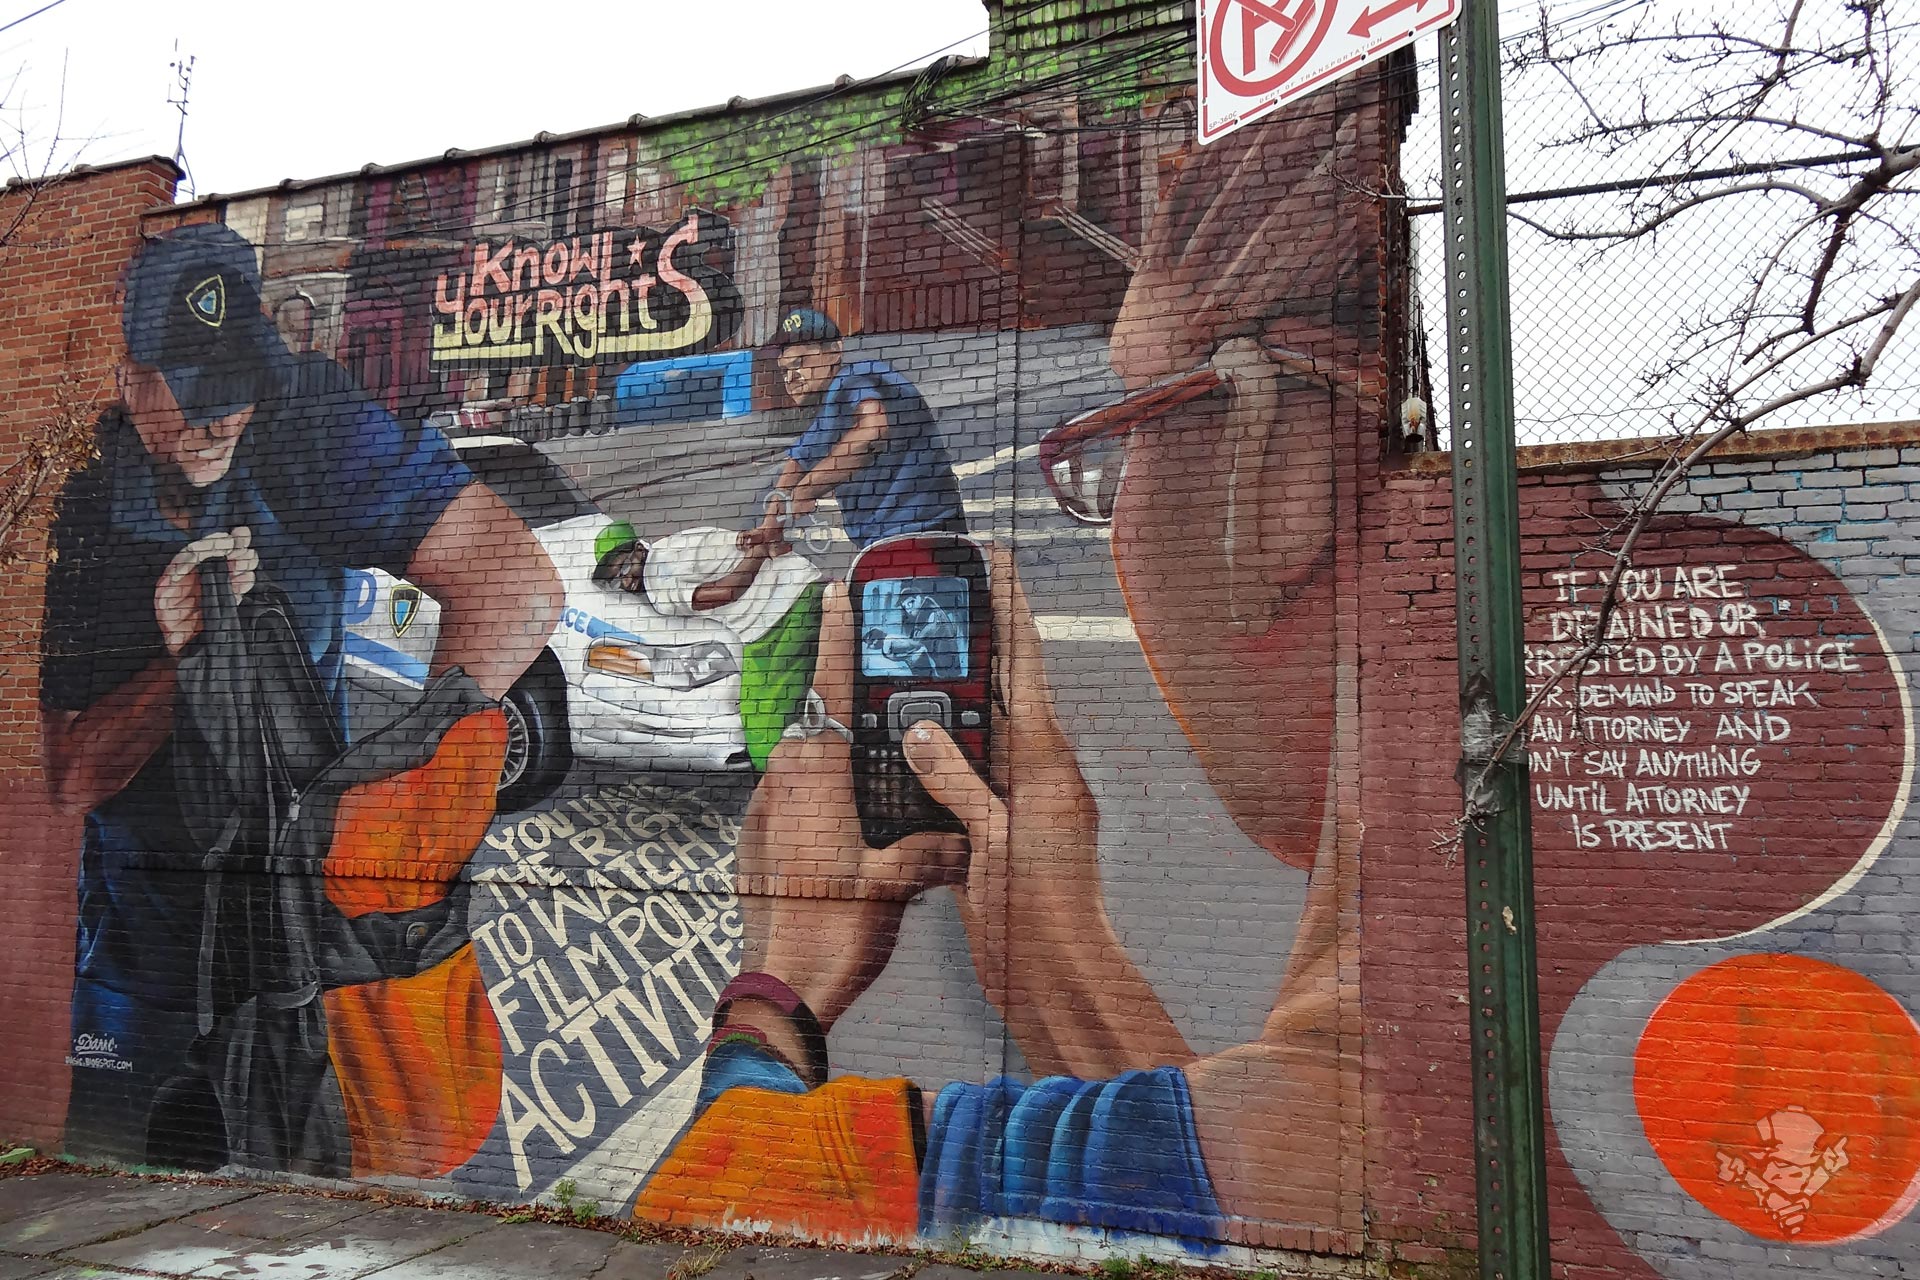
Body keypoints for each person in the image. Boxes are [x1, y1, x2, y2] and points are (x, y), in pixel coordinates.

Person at [632, 102, 1363, 1242]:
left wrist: (776, 987)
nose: (800, 368)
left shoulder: (866, 380)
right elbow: (1199, 1196)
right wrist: (1057, 954)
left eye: (1119, 436)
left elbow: (727, 1198)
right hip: (885, 570)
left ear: (1282, 494)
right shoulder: (1369, 1075)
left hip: (914, 550)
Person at [40, 222, 563, 1176]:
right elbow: (73, 775)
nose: (220, 420)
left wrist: (374, 834)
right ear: (130, 381)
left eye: (236, 386)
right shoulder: (89, 502)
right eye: (193, 394)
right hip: (143, 968)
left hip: (301, 965)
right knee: (115, 1199)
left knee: (302, 1220)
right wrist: (188, 657)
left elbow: (517, 587)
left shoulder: (303, 420)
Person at [592, 520, 824, 771]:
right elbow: (740, 541)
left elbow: (726, 592)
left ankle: (788, 782)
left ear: (639, 549)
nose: (626, 582)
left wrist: (759, 550)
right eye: (616, 580)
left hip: (784, 611)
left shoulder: (660, 588)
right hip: (782, 604)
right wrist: (761, 542)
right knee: (760, 709)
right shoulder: (676, 541)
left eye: (626, 568)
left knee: (766, 724)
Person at [754, 308, 966, 548]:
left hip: (916, 533)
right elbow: (798, 462)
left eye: (799, 363)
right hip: (903, 537)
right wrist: (769, 527)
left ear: (834, 351)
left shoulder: (853, 378)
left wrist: (804, 491)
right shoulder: (831, 411)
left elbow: (872, 431)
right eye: (784, 370)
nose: (790, 378)